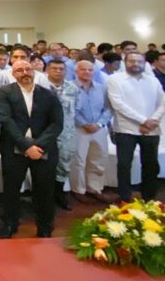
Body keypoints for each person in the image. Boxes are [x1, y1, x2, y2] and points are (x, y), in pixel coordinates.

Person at [0, 60, 63, 238]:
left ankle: (45, 225)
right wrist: (27, 146)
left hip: (44, 148)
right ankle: (10, 223)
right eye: (19, 70)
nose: (24, 72)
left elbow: (57, 124)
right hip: (14, 147)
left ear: (33, 71)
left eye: (27, 69)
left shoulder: (48, 94)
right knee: (11, 188)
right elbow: (6, 121)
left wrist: (38, 146)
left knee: (45, 189)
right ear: (13, 73)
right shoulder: (5, 92)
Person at [106, 51, 164, 202]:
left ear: (145, 63)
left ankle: (149, 198)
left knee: (151, 165)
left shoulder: (153, 80)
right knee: (124, 165)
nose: (136, 64)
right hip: (126, 129)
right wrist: (143, 121)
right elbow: (118, 104)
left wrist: (152, 121)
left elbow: (162, 103)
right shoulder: (115, 79)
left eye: (139, 61)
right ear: (125, 62)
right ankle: (125, 197)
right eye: (132, 61)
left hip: (151, 130)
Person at [70, 60, 114, 204]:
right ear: (76, 71)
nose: (87, 72)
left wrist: (100, 123)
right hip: (79, 129)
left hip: (99, 128)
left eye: (90, 70)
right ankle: (78, 189)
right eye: (83, 69)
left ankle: (94, 188)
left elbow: (108, 108)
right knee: (79, 160)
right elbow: (70, 110)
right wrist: (84, 124)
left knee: (98, 159)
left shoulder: (101, 88)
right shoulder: (70, 88)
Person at [44, 59, 80, 211]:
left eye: (61, 69)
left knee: (64, 164)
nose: (58, 71)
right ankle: (45, 196)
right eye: (54, 69)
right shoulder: (41, 87)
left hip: (67, 132)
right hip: (45, 131)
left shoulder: (72, 87)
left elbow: (77, 107)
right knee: (45, 164)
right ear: (47, 70)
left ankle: (59, 193)